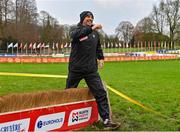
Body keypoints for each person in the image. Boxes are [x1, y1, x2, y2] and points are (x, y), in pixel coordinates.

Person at [66, 11, 120, 130]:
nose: (90, 19)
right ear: (82, 19)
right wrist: (92, 28)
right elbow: (76, 35)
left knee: (101, 93)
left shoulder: (95, 33)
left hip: (91, 70)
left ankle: (106, 121)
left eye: (91, 17)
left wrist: (101, 58)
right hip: (76, 69)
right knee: (68, 94)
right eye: (87, 17)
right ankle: (65, 121)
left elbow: (98, 47)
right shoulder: (76, 30)